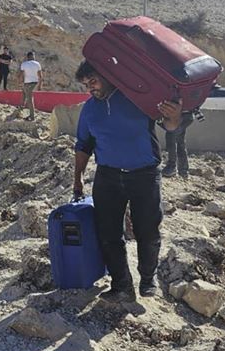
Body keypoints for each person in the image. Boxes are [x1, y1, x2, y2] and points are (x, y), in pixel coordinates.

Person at [73, 60, 183, 302]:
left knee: (148, 230)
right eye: (85, 85)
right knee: (109, 233)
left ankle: (147, 278)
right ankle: (122, 284)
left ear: (108, 75)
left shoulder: (137, 99)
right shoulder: (90, 109)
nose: (90, 88)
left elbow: (169, 126)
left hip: (144, 174)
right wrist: (78, 179)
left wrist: (175, 116)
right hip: (108, 176)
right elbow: (83, 145)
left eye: (93, 81)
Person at [162, 112, 195, 178]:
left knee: (171, 137)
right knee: (180, 141)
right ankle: (183, 170)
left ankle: (172, 166)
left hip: (177, 117)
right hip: (186, 116)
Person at [19, 51, 43, 121]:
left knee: (29, 99)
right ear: (32, 56)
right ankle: (21, 107)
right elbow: (40, 76)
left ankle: (32, 116)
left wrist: (20, 82)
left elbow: (21, 74)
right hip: (34, 83)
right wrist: (40, 85)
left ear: (27, 57)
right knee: (24, 94)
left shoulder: (24, 64)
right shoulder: (37, 64)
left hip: (27, 83)